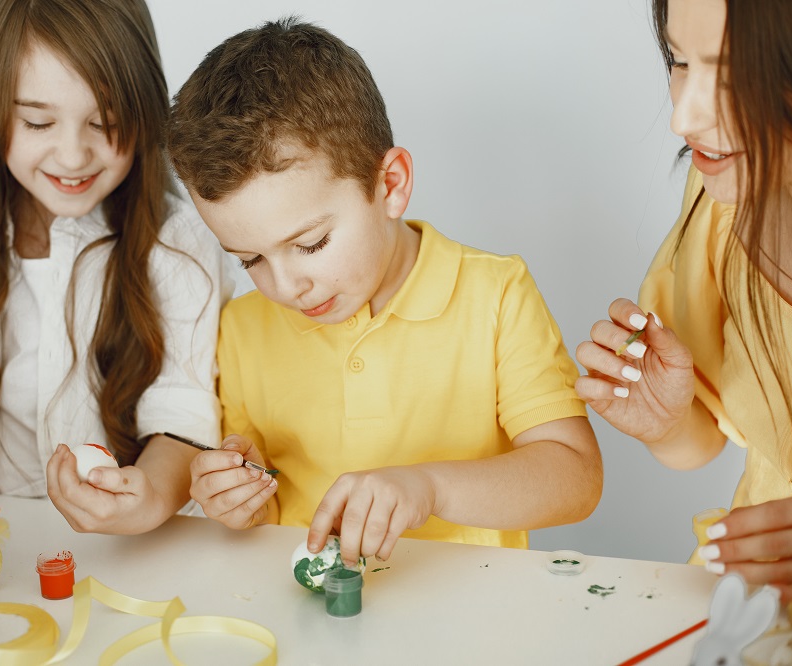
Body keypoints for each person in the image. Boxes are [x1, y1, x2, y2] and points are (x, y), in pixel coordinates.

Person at [165, 18, 602, 567]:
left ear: (390, 185)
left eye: (311, 243)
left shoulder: (495, 295)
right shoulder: (242, 329)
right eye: (250, 259)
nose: (285, 285)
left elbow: (576, 478)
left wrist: (430, 489)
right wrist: (240, 501)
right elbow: (270, 515)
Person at [0, 0, 231, 534]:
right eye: (38, 121)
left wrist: (149, 497)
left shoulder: (181, 245)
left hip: (140, 556)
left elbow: (184, 415)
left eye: (104, 121)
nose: (72, 155)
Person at [575, 0, 792, 605]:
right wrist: (670, 422)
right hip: (749, 606)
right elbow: (710, 438)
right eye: (678, 61)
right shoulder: (722, 205)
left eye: (732, 76)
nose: (683, 116)